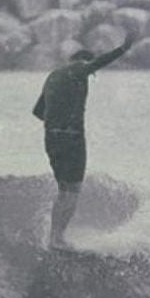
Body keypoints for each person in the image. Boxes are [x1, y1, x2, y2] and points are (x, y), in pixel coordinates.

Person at [32, 37, 132, 250]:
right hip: (72, 138)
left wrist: (58, 120)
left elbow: (38, 112)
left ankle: (53, 237)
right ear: (83, 63)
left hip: (51, 138)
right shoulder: (79, 70)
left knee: (63, 190)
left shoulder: (53, 76)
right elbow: (97, 63)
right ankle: (58, 238)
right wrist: (123, 48)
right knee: (74, 190)